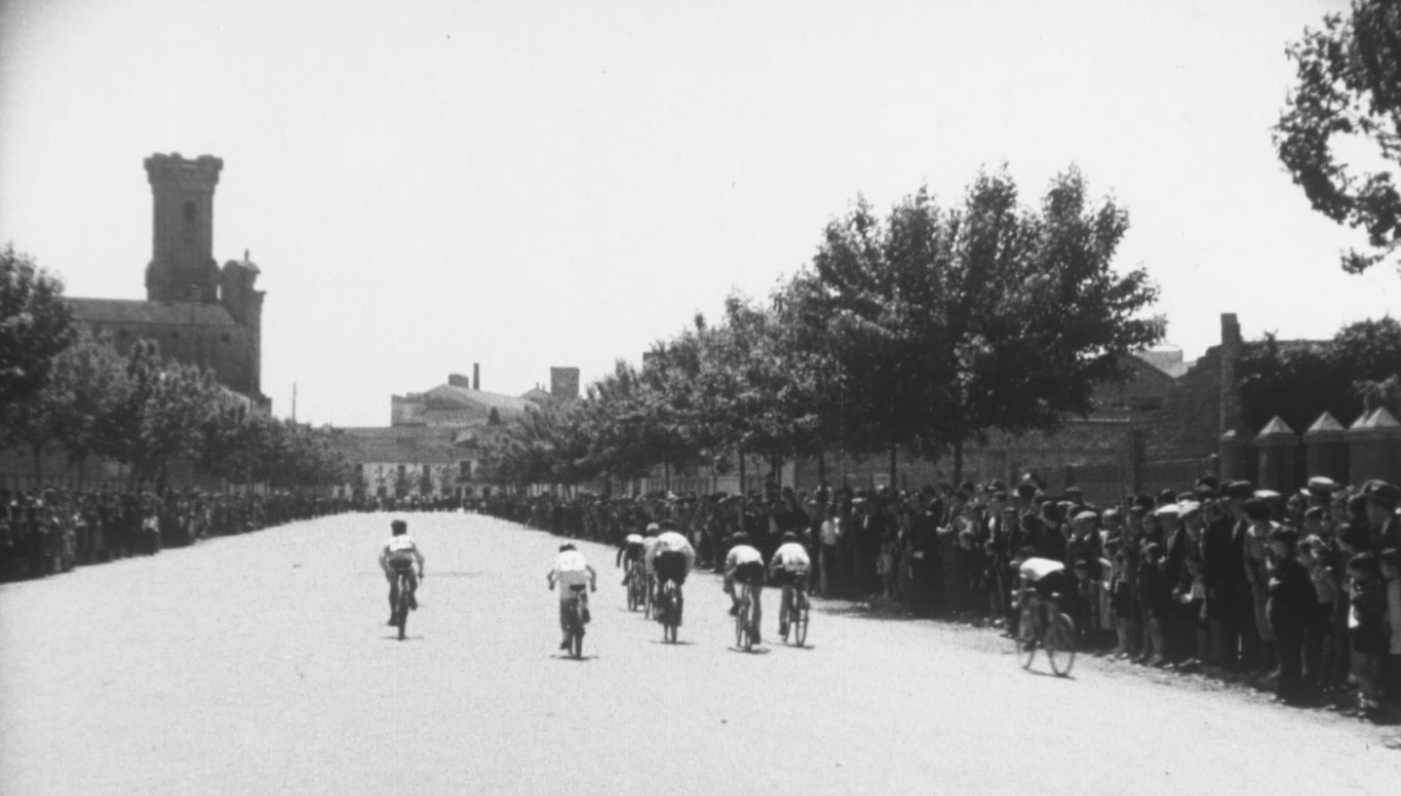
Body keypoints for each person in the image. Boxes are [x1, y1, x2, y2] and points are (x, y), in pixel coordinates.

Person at [1013, 546, 1073, 651]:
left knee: (1031, 605)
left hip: (1046, 583)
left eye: (1017, 558)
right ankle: (1059, 633)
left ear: (1022, 558)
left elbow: (1023, 588)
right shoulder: (1040, 561)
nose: (1017, 561)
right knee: (1051, 606)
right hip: (1063, 578)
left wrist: (1018, 602)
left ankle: (1034, 637)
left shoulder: (1024, 566)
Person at [547, 543, 597, 651]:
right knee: (583, 593)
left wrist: (551, 584)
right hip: (580, 579)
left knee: (564, 611)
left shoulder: (560, 557)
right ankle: (585, 609)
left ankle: (565, 638)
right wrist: (593, 585)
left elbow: (550, 575)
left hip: (565, 582)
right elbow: (593, 572)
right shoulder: (579, 555)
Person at [378, 519, 425, 625]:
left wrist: (386, 571)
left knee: (393, 589)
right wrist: (421, 572)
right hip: (407, 564)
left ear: (393, 530)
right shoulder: (409, 539)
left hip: (393, 565)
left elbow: (381, 558)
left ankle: (393, 614)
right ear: (405, 529)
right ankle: (410, 594)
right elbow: (420, 558)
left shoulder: (389, 541)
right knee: (413, 584)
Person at [648, 523, 697, 622]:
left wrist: (650, 570)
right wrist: (686, 571)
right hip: (680, 560)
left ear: (663, 529)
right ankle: (678, 614)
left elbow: (650, 554)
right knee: (678, 587)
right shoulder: (682, 538)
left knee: (661, 584)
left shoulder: (662, 537)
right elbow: (691, 555)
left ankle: (661, 609)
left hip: (666, 558)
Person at [724, 531, 767, 642]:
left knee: (728, 580)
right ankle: (756, 629)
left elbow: (727, 566)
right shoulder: (754, 550)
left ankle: (736, 603)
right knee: (756, 599)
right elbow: (762, 564)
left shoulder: (734, 550)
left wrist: (726, 583)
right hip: (758, 569)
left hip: (743, 567)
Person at [770, 530, 812, 637]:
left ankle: (783, 621)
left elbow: (774, 561)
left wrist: (772, 572)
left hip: (789, 568)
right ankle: (803, 599)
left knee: (786, 596)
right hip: (804, 566)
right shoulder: (800, 546)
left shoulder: (783, 547)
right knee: (803, 582)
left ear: (783, 540)